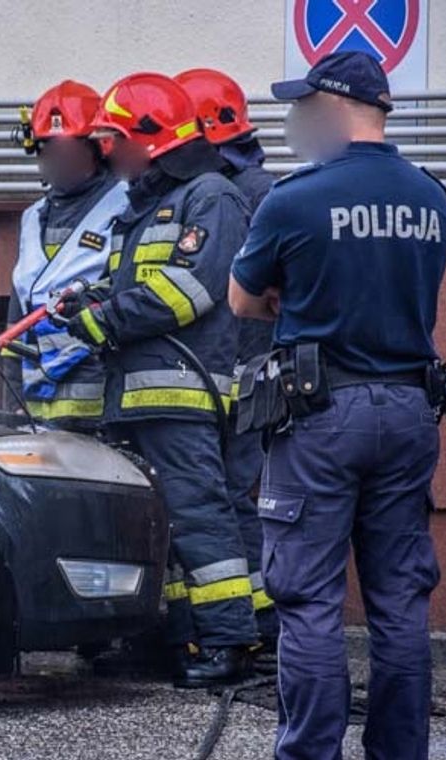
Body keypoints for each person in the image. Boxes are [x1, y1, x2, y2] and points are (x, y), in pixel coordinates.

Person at [229, 51, 446, 760]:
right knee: (398, 604)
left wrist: (295, 294)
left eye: (304, 107)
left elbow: (241, 298)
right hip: (412, 410)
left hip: (320, 415)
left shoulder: (295, 199)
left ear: (330, 106)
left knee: (310, 601)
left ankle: (310, 753)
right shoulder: (431, 196)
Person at [62, 72, 257, 686]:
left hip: (180, 390)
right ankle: (172, 639)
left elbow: (191, 289)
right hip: (137, 394)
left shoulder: (210, 196)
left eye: (113, 137)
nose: (104, 151)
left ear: (150, 137)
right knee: (160, 526)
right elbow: (129, 286)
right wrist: (86, 300)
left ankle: (229, 643)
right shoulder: (141, 205)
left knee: (200, 518)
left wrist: (107, 318)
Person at [175, 68, 279, 650]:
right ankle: (238, 626)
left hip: (245, 377)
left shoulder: (248, 192)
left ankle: (259, 629)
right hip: (222, 376)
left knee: (236, 500)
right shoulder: (221, 187)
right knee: (219, 500)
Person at [4, 80, 127, 426]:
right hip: (35, 406)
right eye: (48, 149)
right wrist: (11, 395)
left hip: (97, 403)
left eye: (67, 151)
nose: (57, 161)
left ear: (97, 149)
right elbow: (16, 319)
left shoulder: (124, 207)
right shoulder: (32, 219)